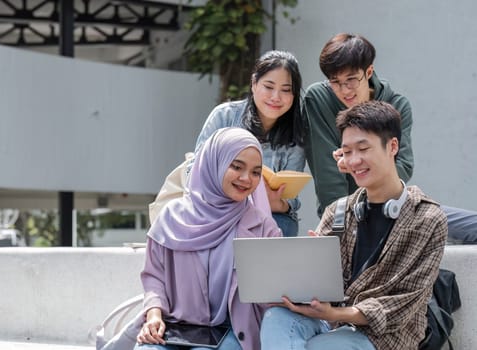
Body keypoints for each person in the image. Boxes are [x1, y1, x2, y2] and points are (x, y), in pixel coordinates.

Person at [260, 100, 448, 350]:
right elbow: (323, 289)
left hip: (387, 337)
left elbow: (402, 305)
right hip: (332, 322)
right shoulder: (338, 211)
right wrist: (309, 270)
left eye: (363, 148)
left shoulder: (427, 219)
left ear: (392, 146)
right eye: (347, 152)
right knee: (276, 320)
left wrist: (336, 315)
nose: (354, 160)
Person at [303, 32, 477, 243]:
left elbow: (403, 167)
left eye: (351, 80)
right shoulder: (319, 99)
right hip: (349, 213)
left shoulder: (397, 105)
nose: (344, 90)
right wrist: (342, 226)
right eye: (335, 82)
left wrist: (354, 164)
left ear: (369, 72)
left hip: (397, 204)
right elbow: (326, 175)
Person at [132, 127, 282, 350]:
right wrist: (154, 314)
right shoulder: (171, 217)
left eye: (255, 172)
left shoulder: (263, 228)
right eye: (236, 166)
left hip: (233, 330)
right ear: (214, 163)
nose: (246, 179)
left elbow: (276, 289)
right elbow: (154, 277)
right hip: (176, 327)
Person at [194, 50, 305, 237]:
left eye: (286, 90)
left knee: (282, 227)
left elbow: (291, 200)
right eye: (268, 87)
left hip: (270, 213)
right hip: (218, 206)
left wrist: (277, 203)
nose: (276, 97)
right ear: (254, 84)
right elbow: (196, 170)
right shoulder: (224, 116)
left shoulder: (297, 134)